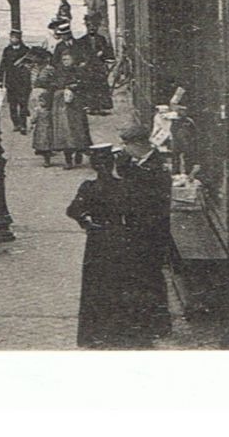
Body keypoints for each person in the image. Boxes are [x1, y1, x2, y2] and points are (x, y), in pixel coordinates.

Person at [66, 143, 132, 348]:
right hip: (119, 238)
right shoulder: (123, 186)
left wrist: (87, 223)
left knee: (94, 285)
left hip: (96, 241)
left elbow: (72, 210)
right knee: (118, 284)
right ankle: (117, 332)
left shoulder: (88, 187)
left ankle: (93, 333)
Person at [116, 124, 173, 343]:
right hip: (137, 230)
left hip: (151, 232)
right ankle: (144, 318)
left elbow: (150, 200)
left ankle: (158, 323)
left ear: (138, 144)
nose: (124, 148)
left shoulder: (156, 167)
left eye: (126, 144)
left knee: (151, 278)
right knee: (140, 277)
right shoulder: (138, 162)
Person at [75, 15, 117, 115]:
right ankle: (90, 106)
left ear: (97, 27)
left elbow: (108, 53)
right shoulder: (81, 40)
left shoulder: (102, 39)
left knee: (100, 86)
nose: (92, 28)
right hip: (88, 67)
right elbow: (79, 55)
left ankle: (100, 107)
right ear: (86, 26)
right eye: (89, 26)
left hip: (99, 67)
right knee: (89, 86)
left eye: (94, 26)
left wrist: (104, 54)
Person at [1, 31, 33, 134]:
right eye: (12, 37)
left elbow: (30, 66)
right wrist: (0, 79)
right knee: (12, 105)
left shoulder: (26, 50)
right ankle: (16, 124)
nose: (14, 39)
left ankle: (23, 125)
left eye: (16, 38)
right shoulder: (7, 50)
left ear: (19, 38)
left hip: (23, 81)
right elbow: (3, 65)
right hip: (11, 81)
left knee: (23, 104)